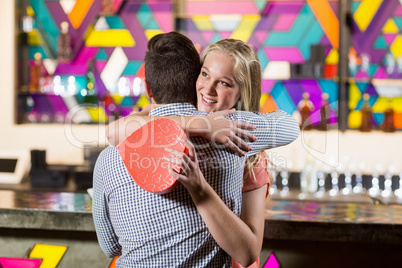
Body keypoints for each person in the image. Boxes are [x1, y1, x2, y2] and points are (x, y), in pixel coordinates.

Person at [93, 32, 299, 267]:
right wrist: (203, 125)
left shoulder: (235, 130)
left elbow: (111, 247)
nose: (208, 90)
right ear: (193, 78)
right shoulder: (225, 131)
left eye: (224, 82)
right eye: (205, 74)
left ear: (149, 89)